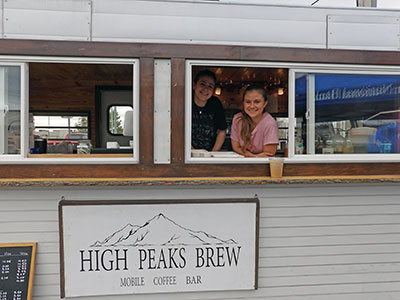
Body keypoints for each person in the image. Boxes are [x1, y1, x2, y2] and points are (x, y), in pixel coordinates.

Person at [231, 84, 279, 157]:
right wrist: (249, 155)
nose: (252, 106)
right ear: (243, 103)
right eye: (248, 102)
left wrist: (253, 158)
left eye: (257, 102)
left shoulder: (269, 123)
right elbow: (236, 147)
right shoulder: (237, 119)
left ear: (265, 104)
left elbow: (269, 153)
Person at [192, 69, 227, 151]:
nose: (205, 89)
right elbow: (178, 129)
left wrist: (212, 154)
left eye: (210, 86)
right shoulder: (186, 100)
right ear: (194, 85)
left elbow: (222, 130)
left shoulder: (215, 103)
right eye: (202, 84)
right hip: (186, 153)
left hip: (209, 152)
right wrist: (191, 151)